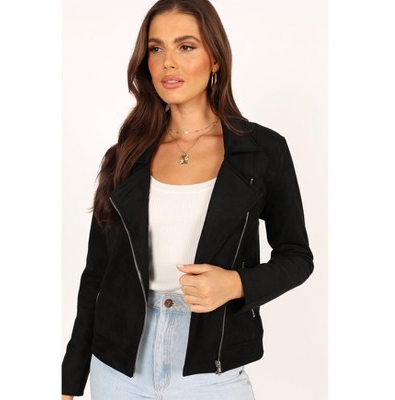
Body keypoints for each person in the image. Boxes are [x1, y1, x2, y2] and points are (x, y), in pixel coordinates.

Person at [62, 0, 314, 399]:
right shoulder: (125, 155)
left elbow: (297, 257)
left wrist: (235, 284)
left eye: (186, 46)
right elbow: (96, 275)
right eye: (156, 48)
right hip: (117, 368)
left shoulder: (262, 151)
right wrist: (71, 379)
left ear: (215, 59)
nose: (168, 62)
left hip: (210, 369)